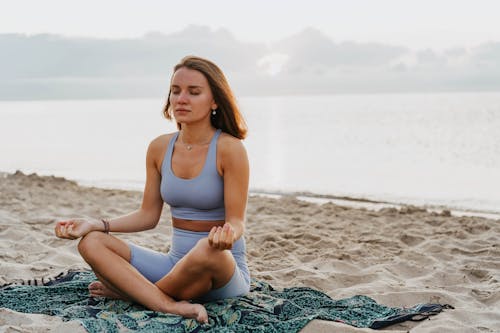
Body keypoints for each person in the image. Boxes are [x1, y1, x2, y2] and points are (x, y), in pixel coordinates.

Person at [54, 56, 250, 323]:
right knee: (92, 242)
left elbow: (237, 221)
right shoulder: (159, 148)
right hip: (174, 268)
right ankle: (166, 303)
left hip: (221, 271)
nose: (181, 99)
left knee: (207, 249)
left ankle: (136, 293)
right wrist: (96, 224)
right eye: (175, 90)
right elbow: (147, 215)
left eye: (194, 92)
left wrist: (228, 235)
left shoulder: (230, 148)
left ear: (215, 100)